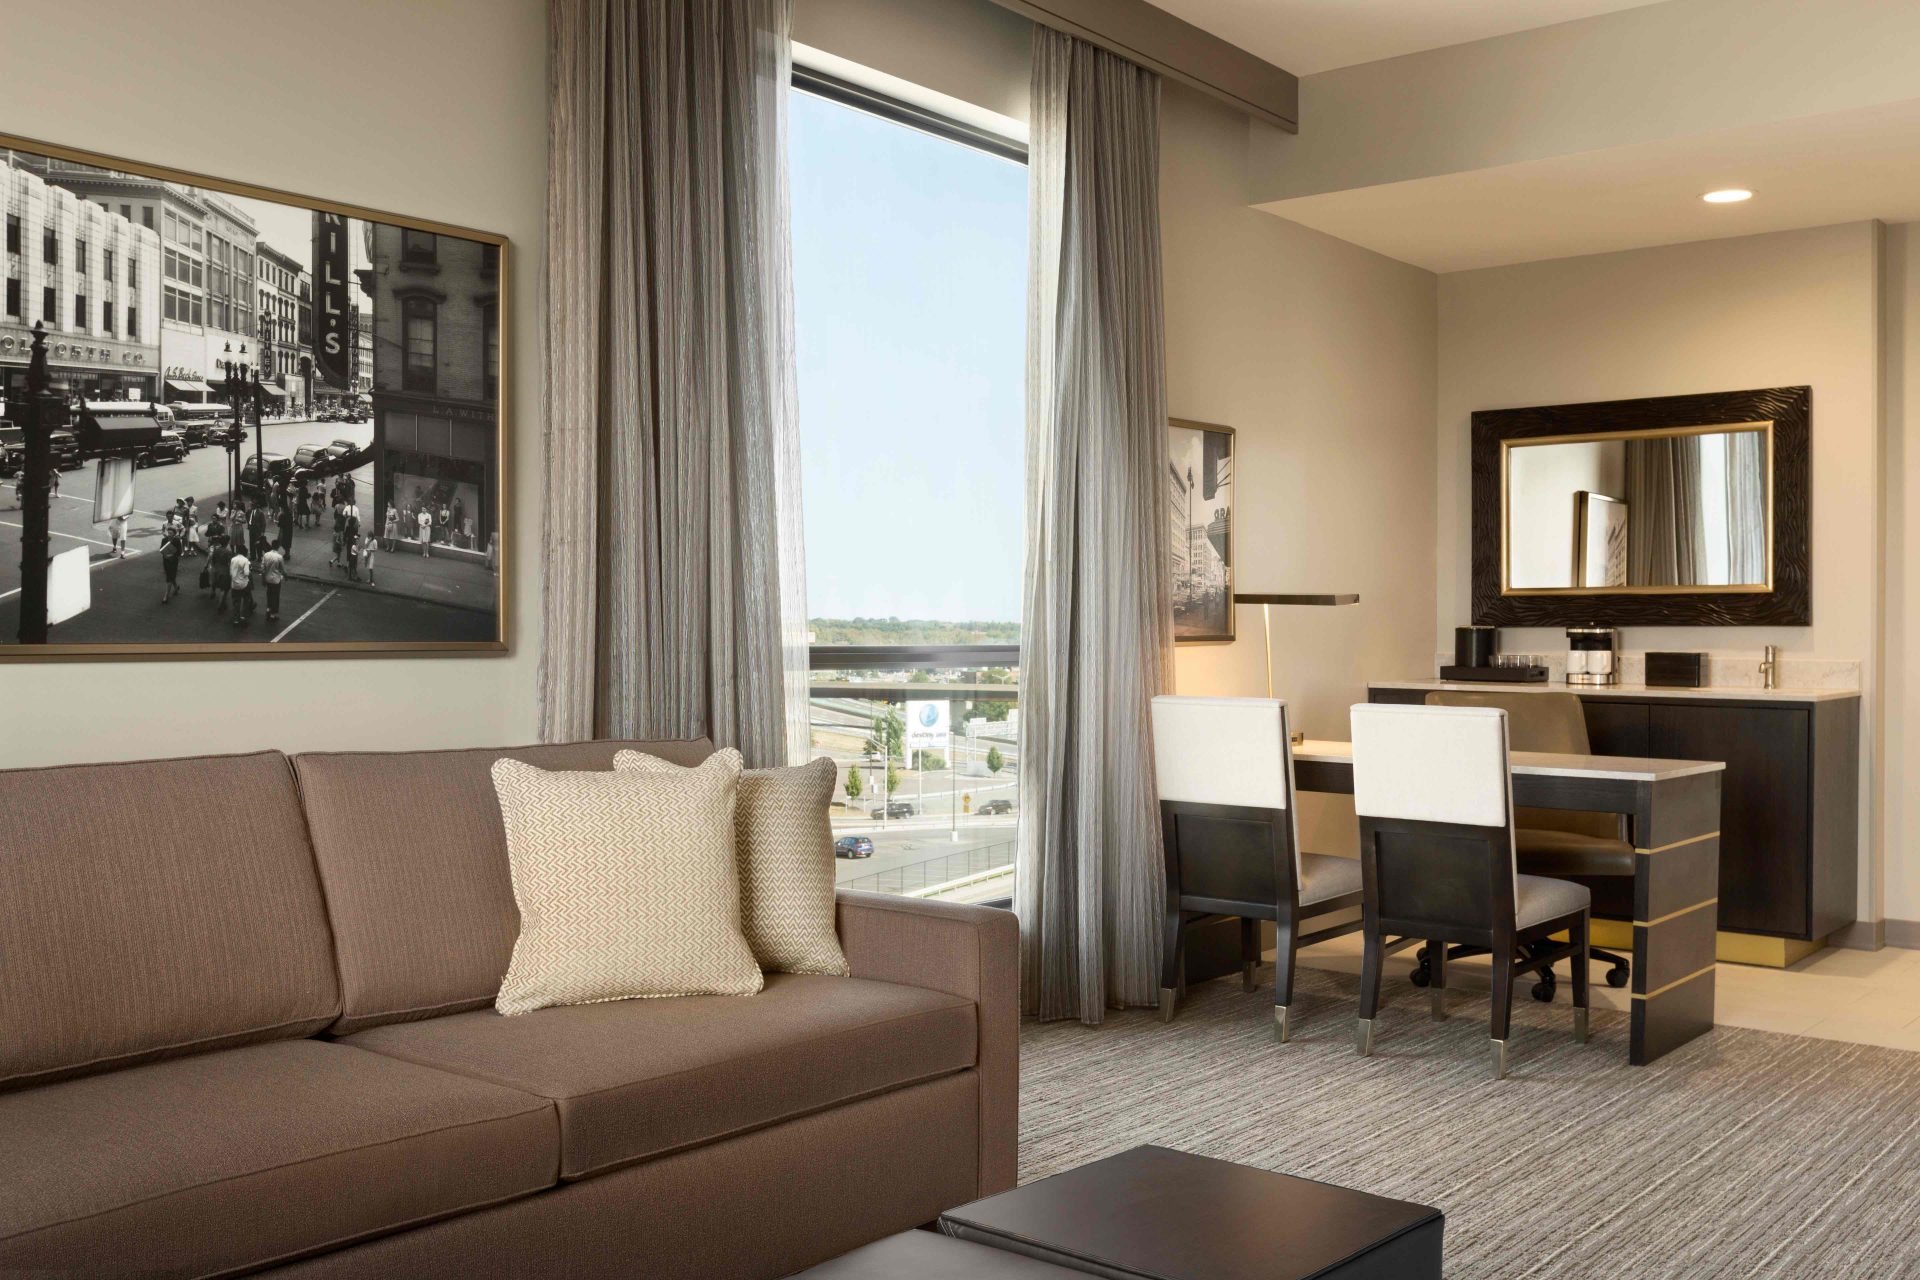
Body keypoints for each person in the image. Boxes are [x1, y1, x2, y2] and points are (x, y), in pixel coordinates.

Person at [261, 540, 286, 623]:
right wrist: (286, 576)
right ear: (278, 546)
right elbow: (282, 570)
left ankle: (268, 609)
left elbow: (262, 568)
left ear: (272, 545)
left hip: (268, 579)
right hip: (276, 580)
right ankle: (272, 615)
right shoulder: (279, 557)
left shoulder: (266, 555)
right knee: (275, 597)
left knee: (269, 595)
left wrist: (263, 579)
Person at [229, 544, 253, 627]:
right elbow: (246, 573)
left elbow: (231, 572)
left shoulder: (233, 559)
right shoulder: (245, 560)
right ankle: (243, 617)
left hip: (234, 584)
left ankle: (236, 619)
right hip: (244, 584)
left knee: (236, 602)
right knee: (246, 600)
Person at [159, 524, 183, 604]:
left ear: (174, 534)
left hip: (173, 561)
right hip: (166, 561)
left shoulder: (177, 541)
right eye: (168, 533)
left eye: (171, 533)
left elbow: (180, 552)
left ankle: (166, 596)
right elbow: (161, 549)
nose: (169, 534)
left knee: (169, 578)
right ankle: (176, 588)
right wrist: (165, 554)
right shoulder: (164, 540)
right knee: (170, 576)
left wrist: (172, 554)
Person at [209, 534, 232, 613]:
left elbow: (213, 560)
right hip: (224, 571)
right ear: (227, 543)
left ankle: (213, 593)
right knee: (224, 589)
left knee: (215, 583)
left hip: (216, 569)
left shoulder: (216, 550)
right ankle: (220, 605)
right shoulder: (228, 552)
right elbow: (230, 563)